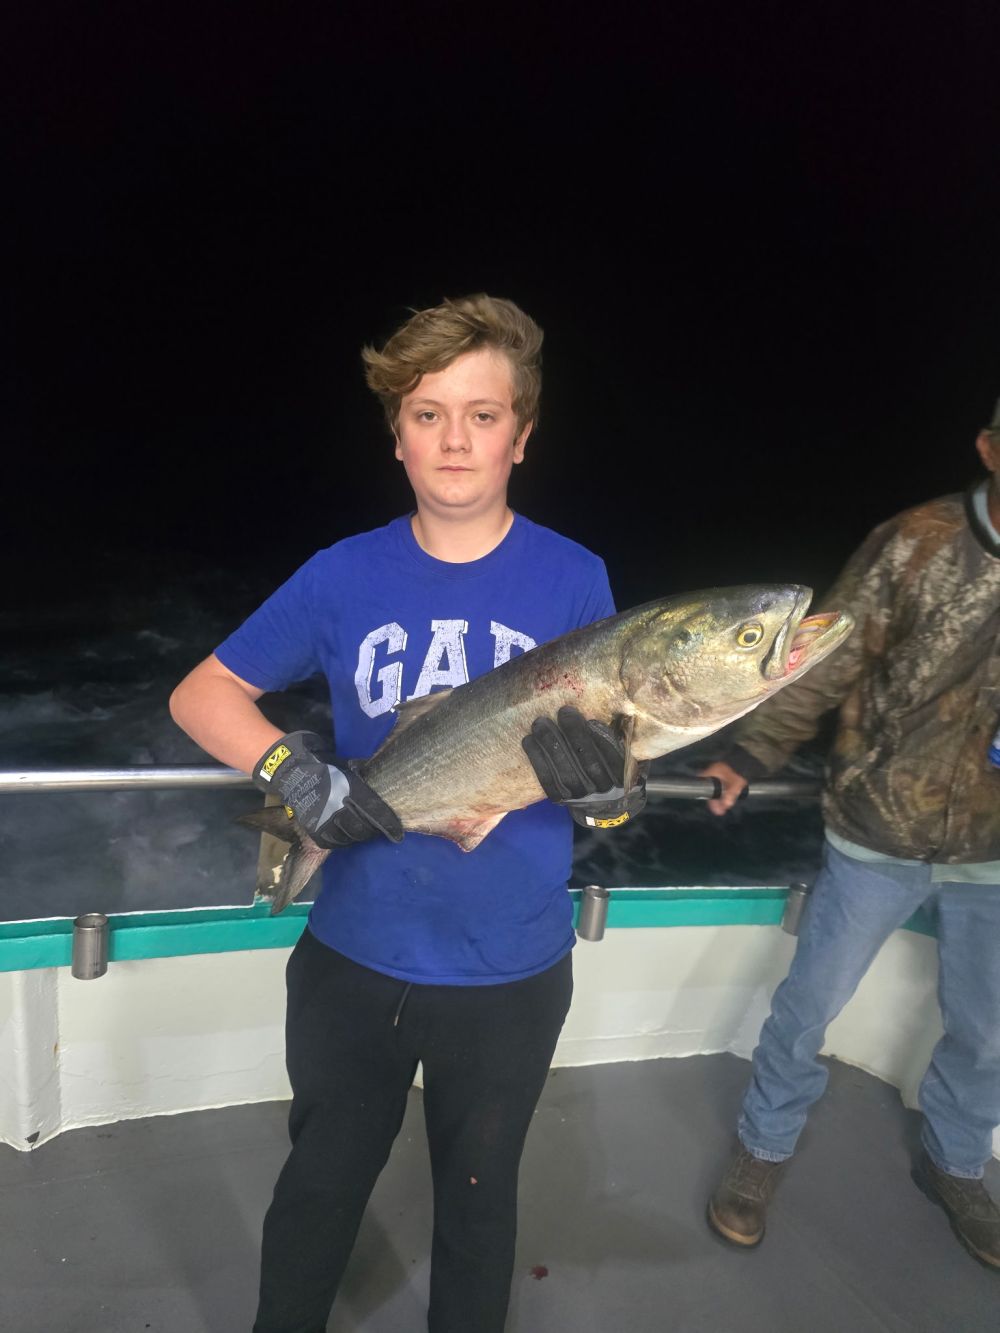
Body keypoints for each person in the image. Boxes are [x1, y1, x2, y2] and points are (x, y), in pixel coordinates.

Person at [169, 294, 645, 1333]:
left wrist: (611, 799)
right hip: (356, 955)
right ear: (396, 436)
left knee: (479, 1207)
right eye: (428, 413)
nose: (455, 439)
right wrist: (295, 773)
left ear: (521, 436)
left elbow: (608, 750)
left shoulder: (574, 578)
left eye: (482, 415)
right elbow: (201, 693)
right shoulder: (343, 573)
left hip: (512, 968)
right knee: (320, 1187)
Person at [699, 400, 1000, 1269]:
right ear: (987, 448)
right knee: (810, 1005)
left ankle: (959, 1164)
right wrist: (753, 752)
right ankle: (762, 1149)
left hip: (992, 846)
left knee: (984, 1028)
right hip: (876, 830)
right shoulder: (915, 541)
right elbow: (821, 657)